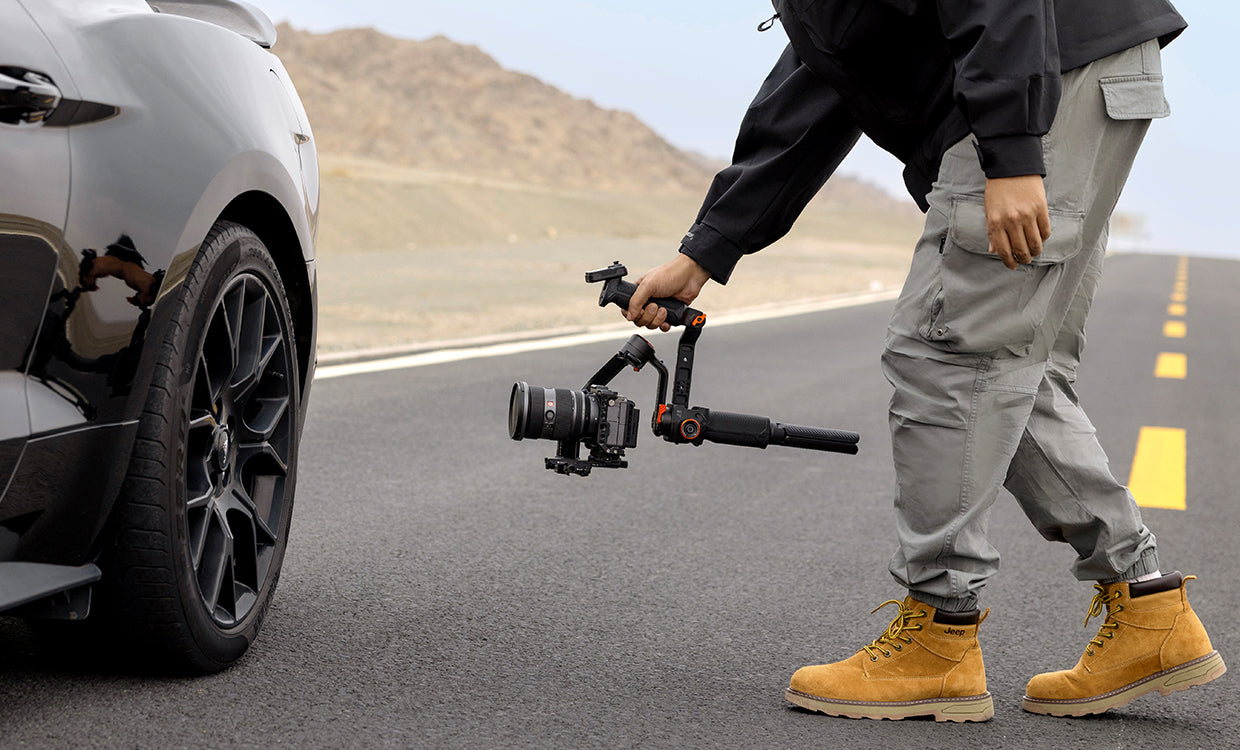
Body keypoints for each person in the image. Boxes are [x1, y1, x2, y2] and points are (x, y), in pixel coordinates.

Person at [623, 0, 1225, 722]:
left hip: (1046, 69)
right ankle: (1146, 612)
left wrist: (1009, 147)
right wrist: (707, 250)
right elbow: (825, 82)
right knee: (1006, 362)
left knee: (949, 355)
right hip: (1072, 66)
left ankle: (938, 638)